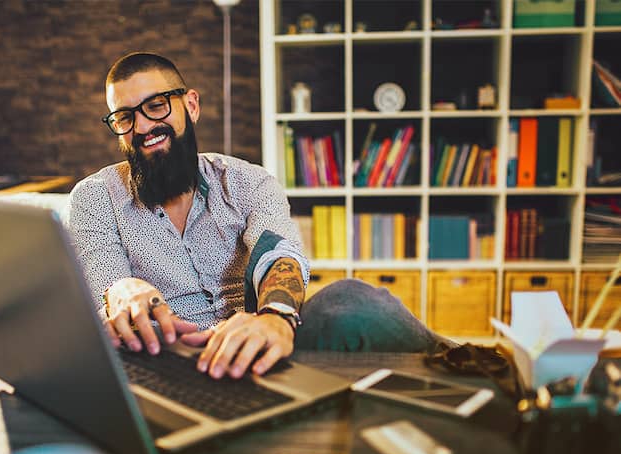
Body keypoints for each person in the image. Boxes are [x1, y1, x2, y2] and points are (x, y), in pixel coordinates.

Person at [65, 52, 452, 381]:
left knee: (350, 301)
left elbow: (278, 252)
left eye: (156, 106)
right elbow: (107, 281)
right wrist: (121, 290)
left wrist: (276, 316)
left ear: (192, 105)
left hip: (258, 348)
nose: (144, 127)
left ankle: (474, 366)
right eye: (125, 117)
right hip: (160, 362)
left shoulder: (248, 181)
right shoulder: (94, 198)